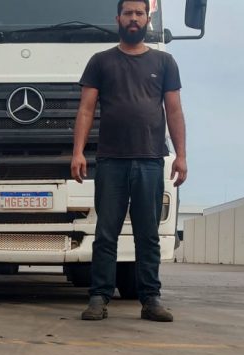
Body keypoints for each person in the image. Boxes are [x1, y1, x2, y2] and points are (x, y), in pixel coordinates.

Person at [71, 0, 187, 321]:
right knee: (106, 234)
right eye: (128, 13)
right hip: (111, 160)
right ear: (118, 19)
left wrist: (181, 155)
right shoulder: (101, 61)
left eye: (139, 13)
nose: (133, 18)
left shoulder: (165, 62)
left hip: (150, 160)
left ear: (147, 19)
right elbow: (86, 109)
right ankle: (98, 298)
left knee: (147, 235)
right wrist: (78, 151)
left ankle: (151, 300)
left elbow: (174, 110)